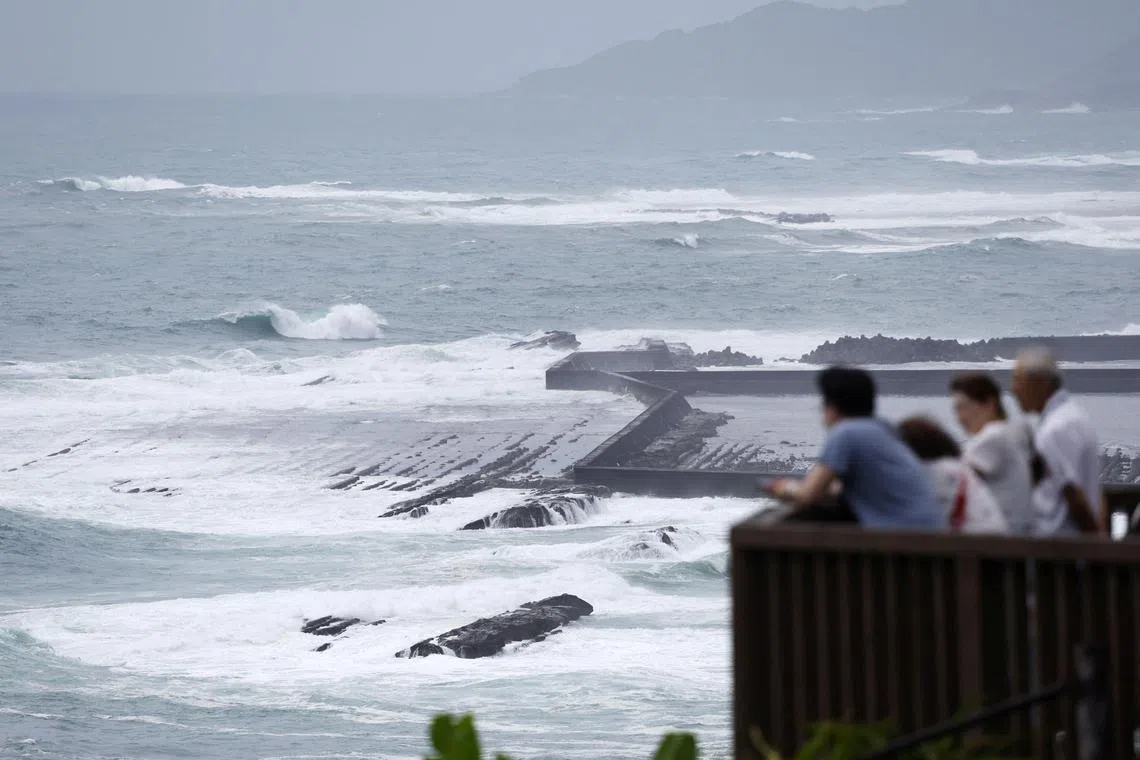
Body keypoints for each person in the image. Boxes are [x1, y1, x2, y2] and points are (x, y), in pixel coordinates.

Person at [765, 366, 946, 530]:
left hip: (904, 542)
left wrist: (783, 487)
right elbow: (840, 487)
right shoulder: (881, 428)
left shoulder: (846, 433)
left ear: (832, 408)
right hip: (931, 536)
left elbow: (808, 494)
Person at [1010, 347, 1104, 535]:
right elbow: (1094, 492)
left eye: (1018, 381)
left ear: (1041, 383)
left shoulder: (1055, 429)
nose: (1013, 390)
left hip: (1059, 551)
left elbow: (1075, 495)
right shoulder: (1073, 416)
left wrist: (1099, 545)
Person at [949, 372, 1034, 535]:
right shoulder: (1014, 431)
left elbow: (957, 485)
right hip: (1020, 536)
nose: (959, 417)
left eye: (963, 407)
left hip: (997, 542)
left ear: (989, 403)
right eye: (956, 410)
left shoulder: (991, 438)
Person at [897, 416, 1009, 534]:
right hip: (991, 537)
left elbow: (931, 518)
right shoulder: (957, 468)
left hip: (979, 542)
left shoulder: (940, 471)